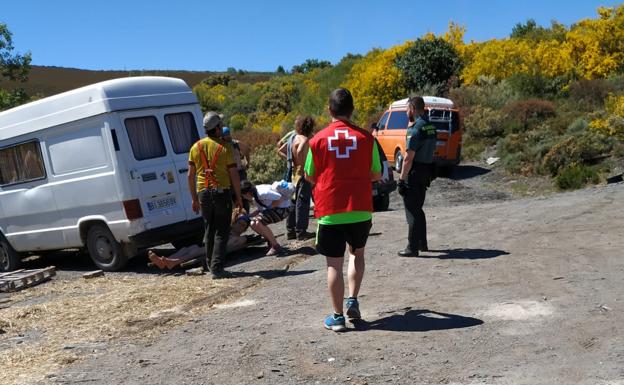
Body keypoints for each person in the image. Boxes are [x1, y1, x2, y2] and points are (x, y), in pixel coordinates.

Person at [304, 88, 381, 332]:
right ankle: (353, 301)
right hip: (360, 208)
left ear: (330, 110)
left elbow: (309, 175)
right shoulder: (367, 138)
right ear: (352, 110)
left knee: (333, 264)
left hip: (330, 209)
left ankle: (337, 317)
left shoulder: (317, 140)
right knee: (357, 254)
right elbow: (377, 173)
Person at [188, 112, 243, 279]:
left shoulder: (195, 147)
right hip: (221, 193)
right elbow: (234, 174)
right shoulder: (225, 148)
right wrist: (238, 197)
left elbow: (190, 176)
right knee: (222, 230)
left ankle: (210, 263)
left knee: (209, 228)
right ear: (217, 128)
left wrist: (194, 198)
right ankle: (217, 268)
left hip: (203, 193)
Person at [397, 96, 437, 257]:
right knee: (418, 208)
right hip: (426, 171)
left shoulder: (415, 129)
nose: (406, 112)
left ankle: (412, 247)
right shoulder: (431, 127)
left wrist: (401, 179)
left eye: (407, 109)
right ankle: (422, 243)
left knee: (412, 211)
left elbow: (408, 158)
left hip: (414, 173)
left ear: (413, 108)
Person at [278, 116, 315, 241]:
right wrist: (303, 163)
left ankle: (290, 231)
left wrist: (291, 161)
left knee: (293, 202)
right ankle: (301, 232)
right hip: (303, 173)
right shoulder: (304, 139)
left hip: (294, 173)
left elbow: (281, 150)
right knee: (303, 202)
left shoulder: (292, 139)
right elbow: (300, 150)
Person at [240, 180, 292, 256]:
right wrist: (246, 216)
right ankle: (271, 241)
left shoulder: (262, 192)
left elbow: (280, 198)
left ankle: (275, 246)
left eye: (243, 195)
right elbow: (259, 210)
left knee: (259, 222)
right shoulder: (255, 195)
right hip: (276, 209)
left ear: (247, 193)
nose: (244, 197)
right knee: (252, 223)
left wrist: (269, 207)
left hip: (284, 208)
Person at [222, 126, 251, 212]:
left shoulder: (235, 143)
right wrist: (247, 162)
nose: (227, 136)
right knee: (235, 196)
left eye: (228, 135)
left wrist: (247, 162)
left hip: (238, 173)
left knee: (242, 194)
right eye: (226, 135)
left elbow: (246, 150)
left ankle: (244, 215)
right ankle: (239, 215)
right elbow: (247, 150)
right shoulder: (232, 144)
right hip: (230, 175)